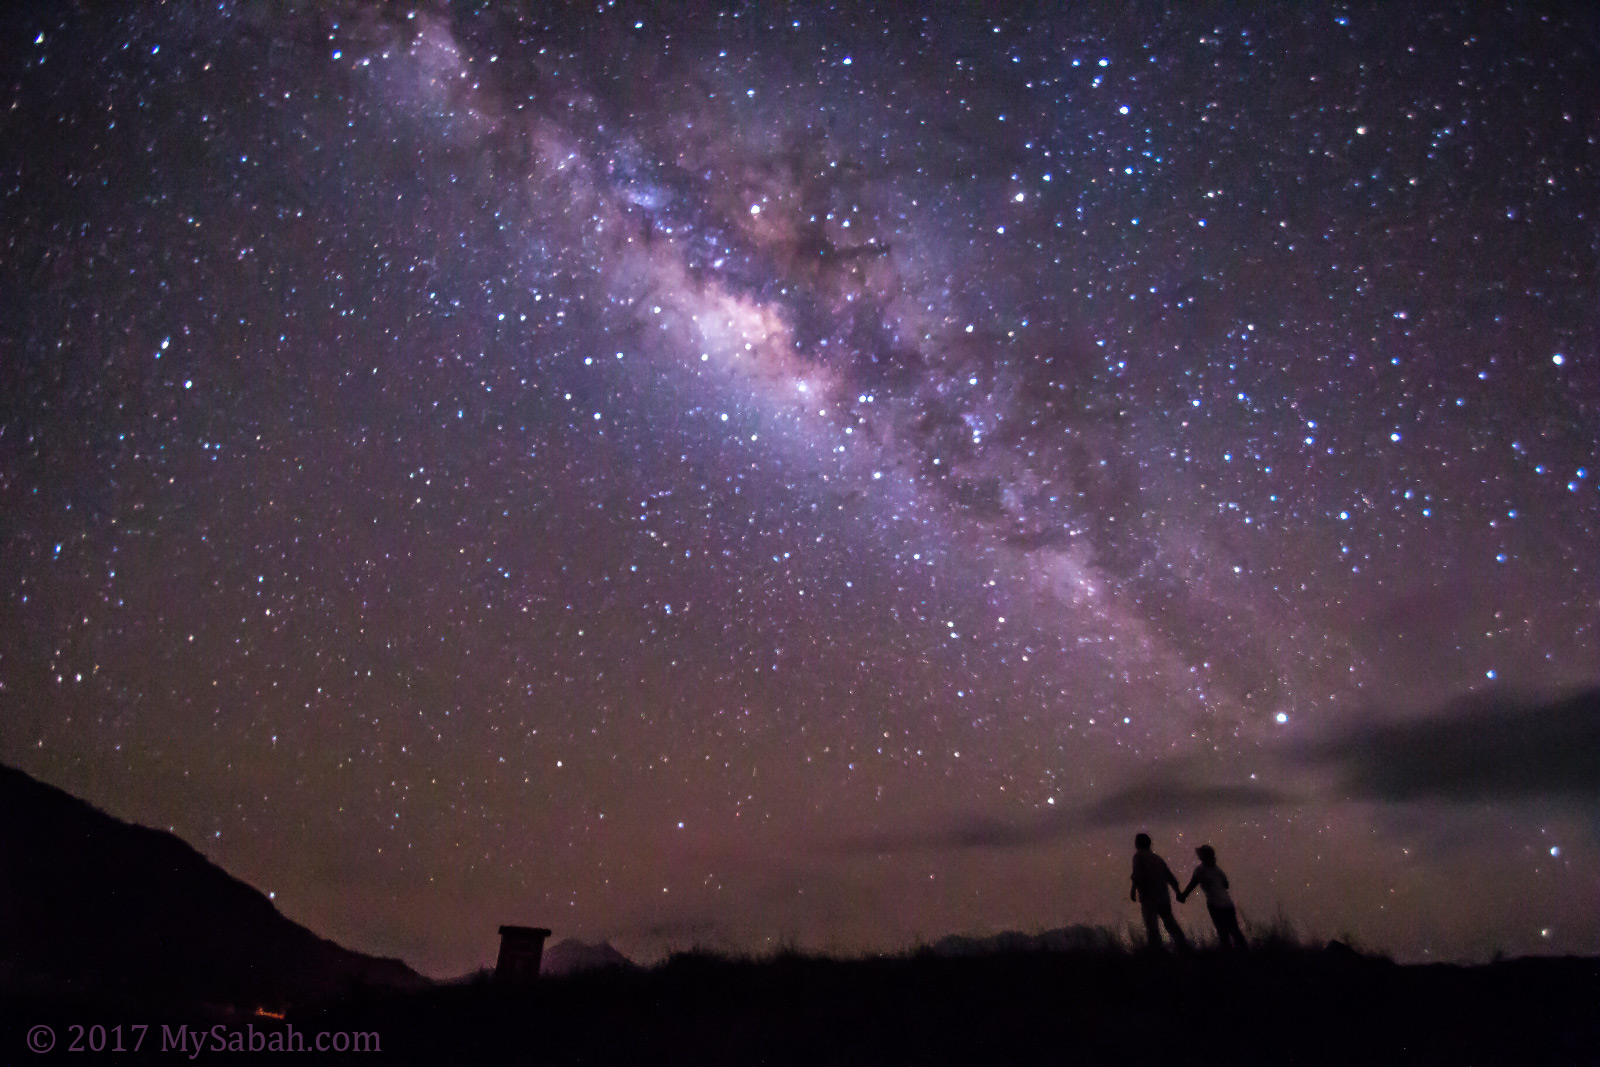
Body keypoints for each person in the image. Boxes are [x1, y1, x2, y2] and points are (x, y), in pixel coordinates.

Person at [1178, 844, 1248, 950]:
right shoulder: (1217, 869)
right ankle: (1244, 951)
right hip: (1228, 903)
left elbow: (1192, 885)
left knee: (1222, 931)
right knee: (1234, 929)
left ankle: (1228, 953)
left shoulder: (1200, 870)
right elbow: (1226, 885)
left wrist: (1183, 896)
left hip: (1214, 904)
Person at [1129, 833, 1188, 951]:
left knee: (1151, 925)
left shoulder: (1138, 856)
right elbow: (1170, 877)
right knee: (1170, 922)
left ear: (1138, 843)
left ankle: (1156, 949)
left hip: (1149, 897)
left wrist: (1133, 890)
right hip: (1163, 896)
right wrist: (1177, 892)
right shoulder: (1157, 858)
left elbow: (1137, 874)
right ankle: (1183, 945)